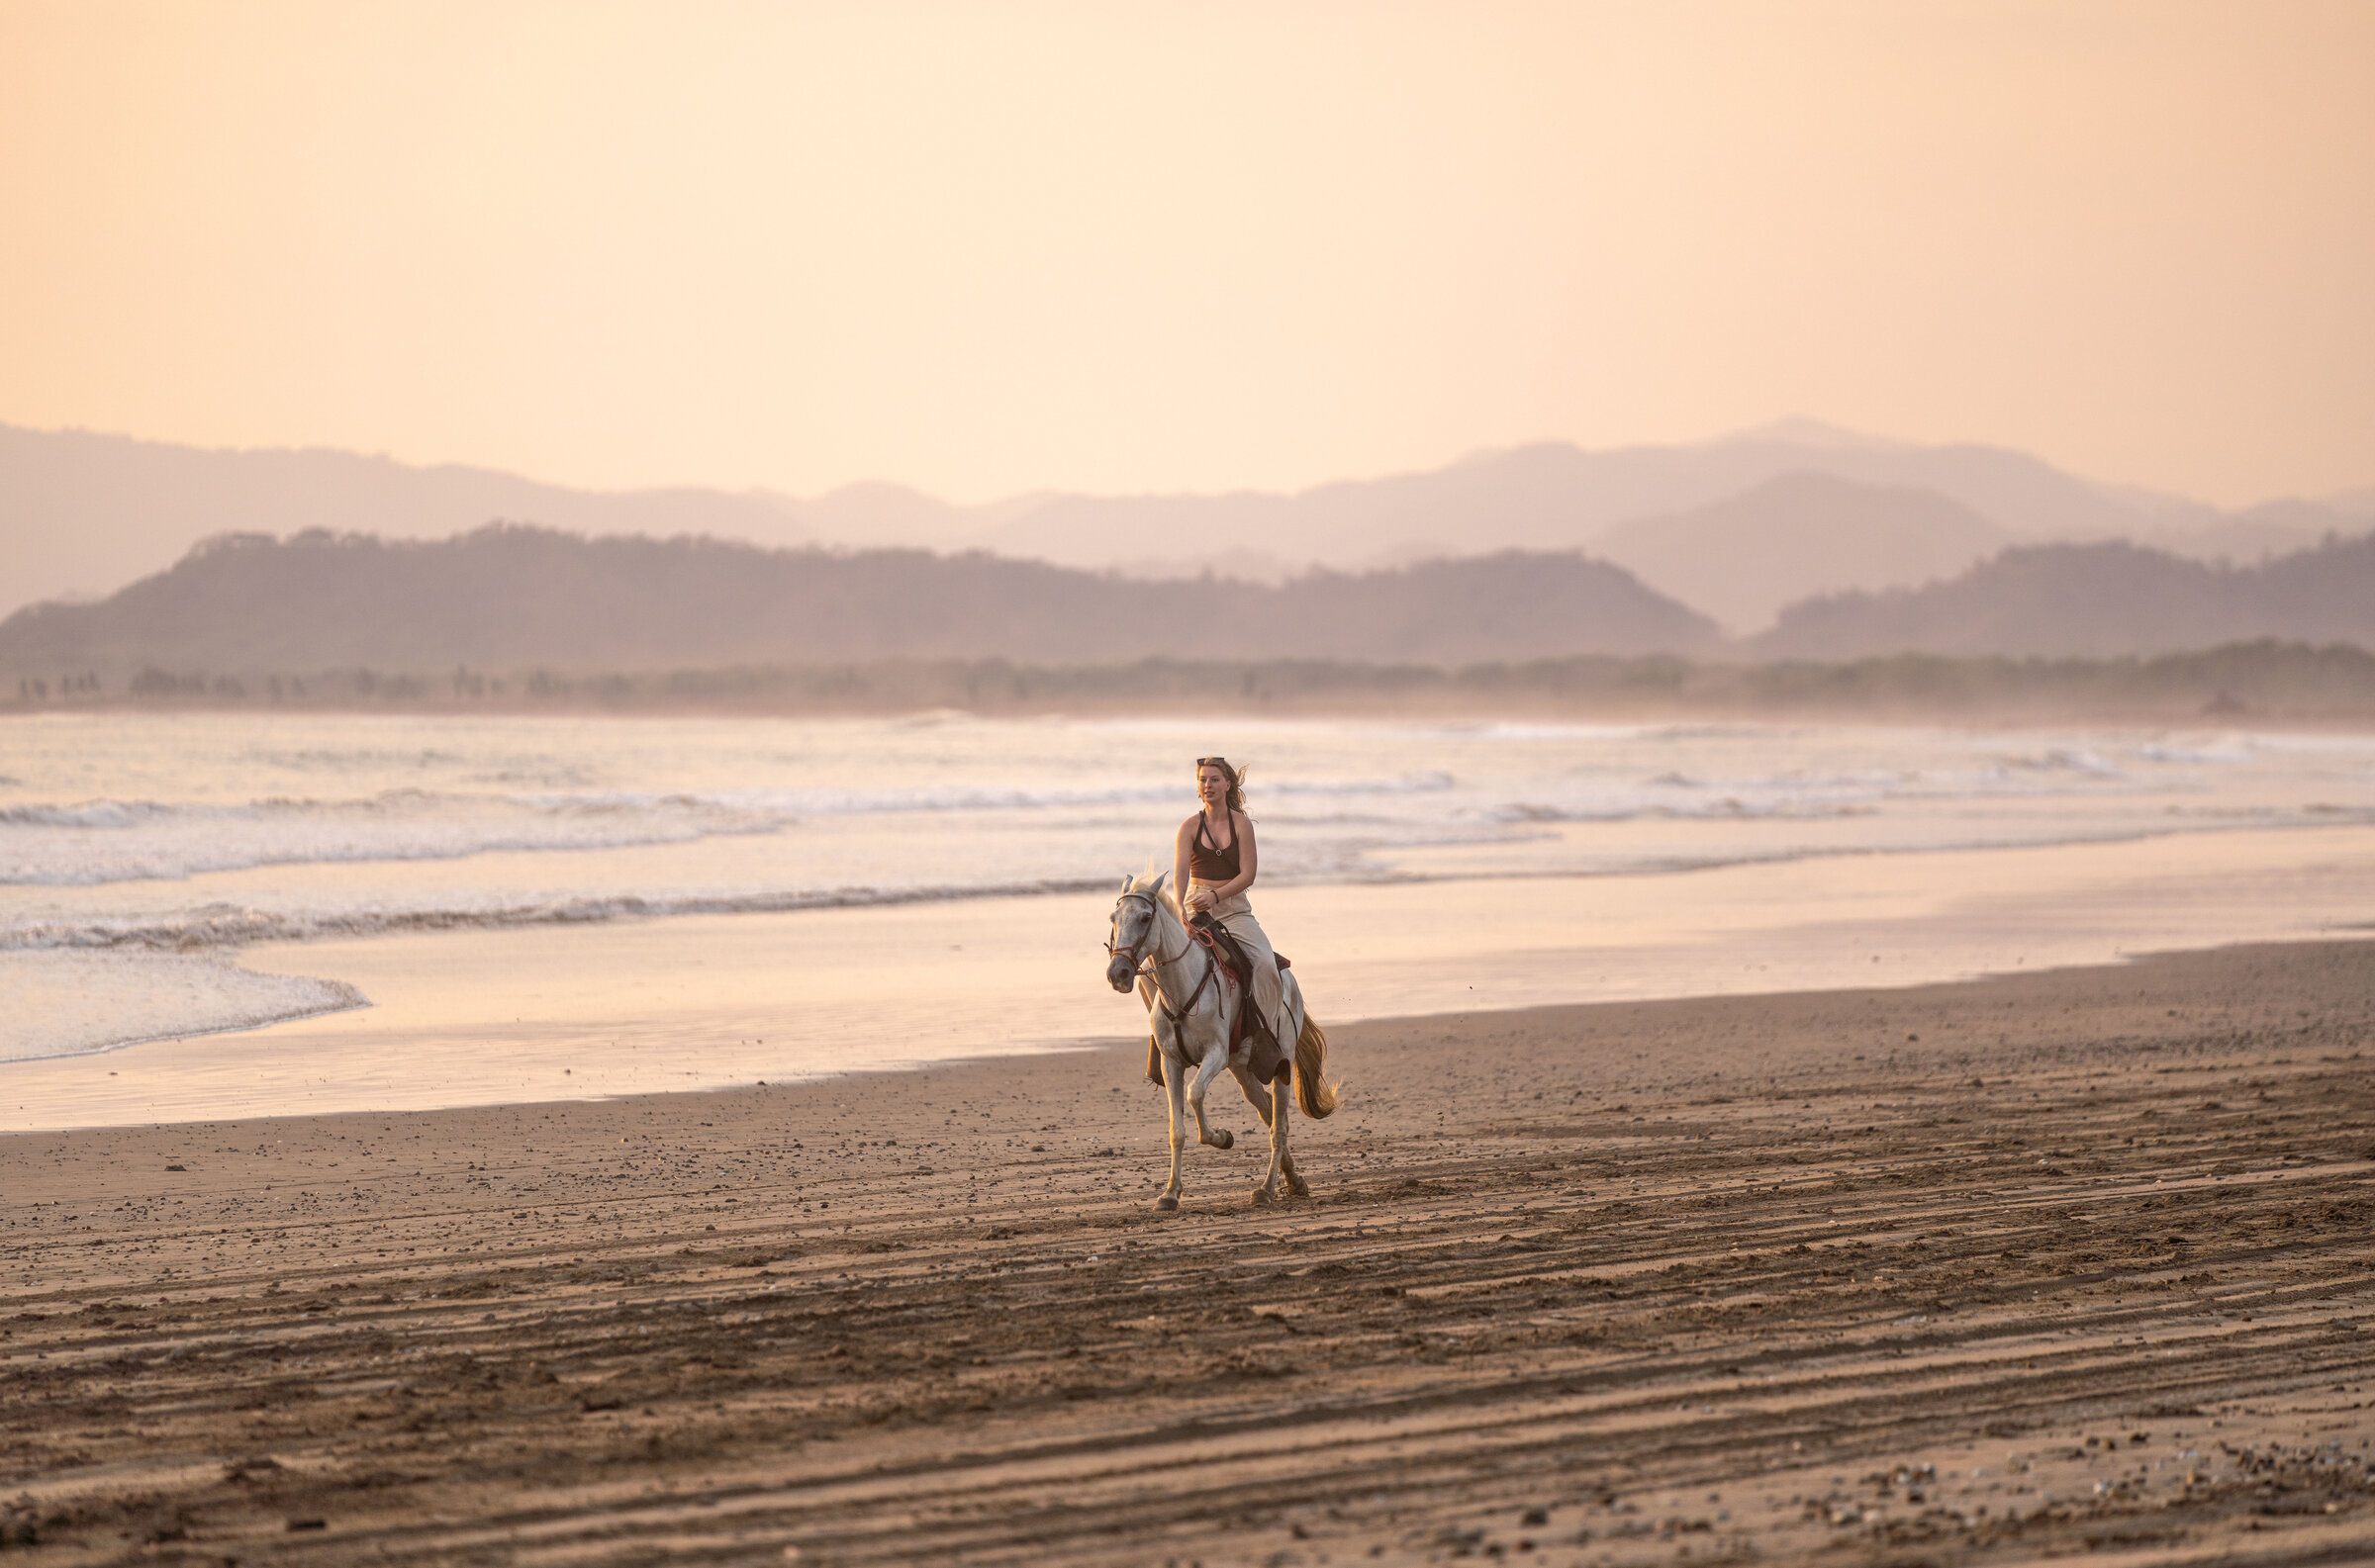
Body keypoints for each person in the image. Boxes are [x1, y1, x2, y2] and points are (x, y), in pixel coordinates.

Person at [1173, 755, 1286, 1057]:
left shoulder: (1241, 824)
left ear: (1227, 784)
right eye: (1202, 780)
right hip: (1196, 907)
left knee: (1265, 965)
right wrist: (1179, 908)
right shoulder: (1188, 827)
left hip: (1234, 910)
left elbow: (1248, 874)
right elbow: (1181, 873)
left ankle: (1264, 1037)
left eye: (1213, 779)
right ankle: (1164, 1045)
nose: (1207, 785)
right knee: (1158, 964)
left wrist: (1217, 896)